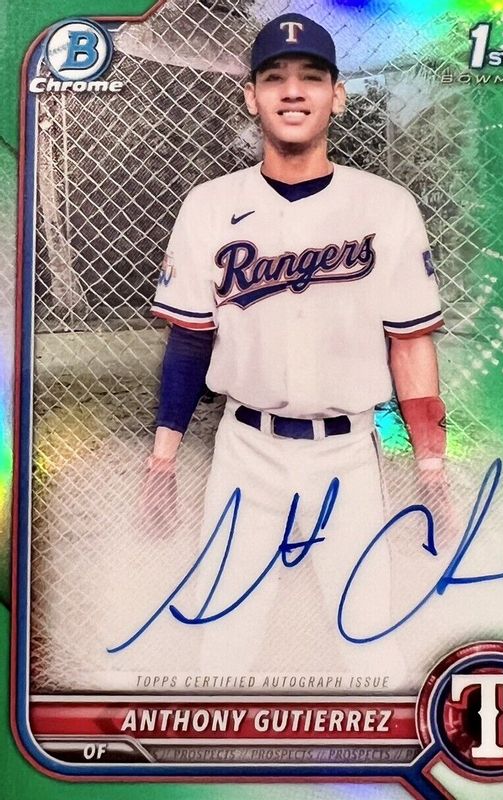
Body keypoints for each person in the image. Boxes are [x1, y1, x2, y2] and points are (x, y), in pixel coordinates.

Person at [144, 13, 446, 683]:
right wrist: (163, 459)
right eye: (274, 77)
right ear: (251, 96)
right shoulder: (208, 205)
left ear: (337, 95)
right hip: (245, 453)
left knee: (367, 638)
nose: (292, 91)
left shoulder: (386, 206)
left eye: (311, 77)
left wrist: (431, 464)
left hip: (348, 453)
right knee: (224, 638)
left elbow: (411, 344)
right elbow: (190, 340)